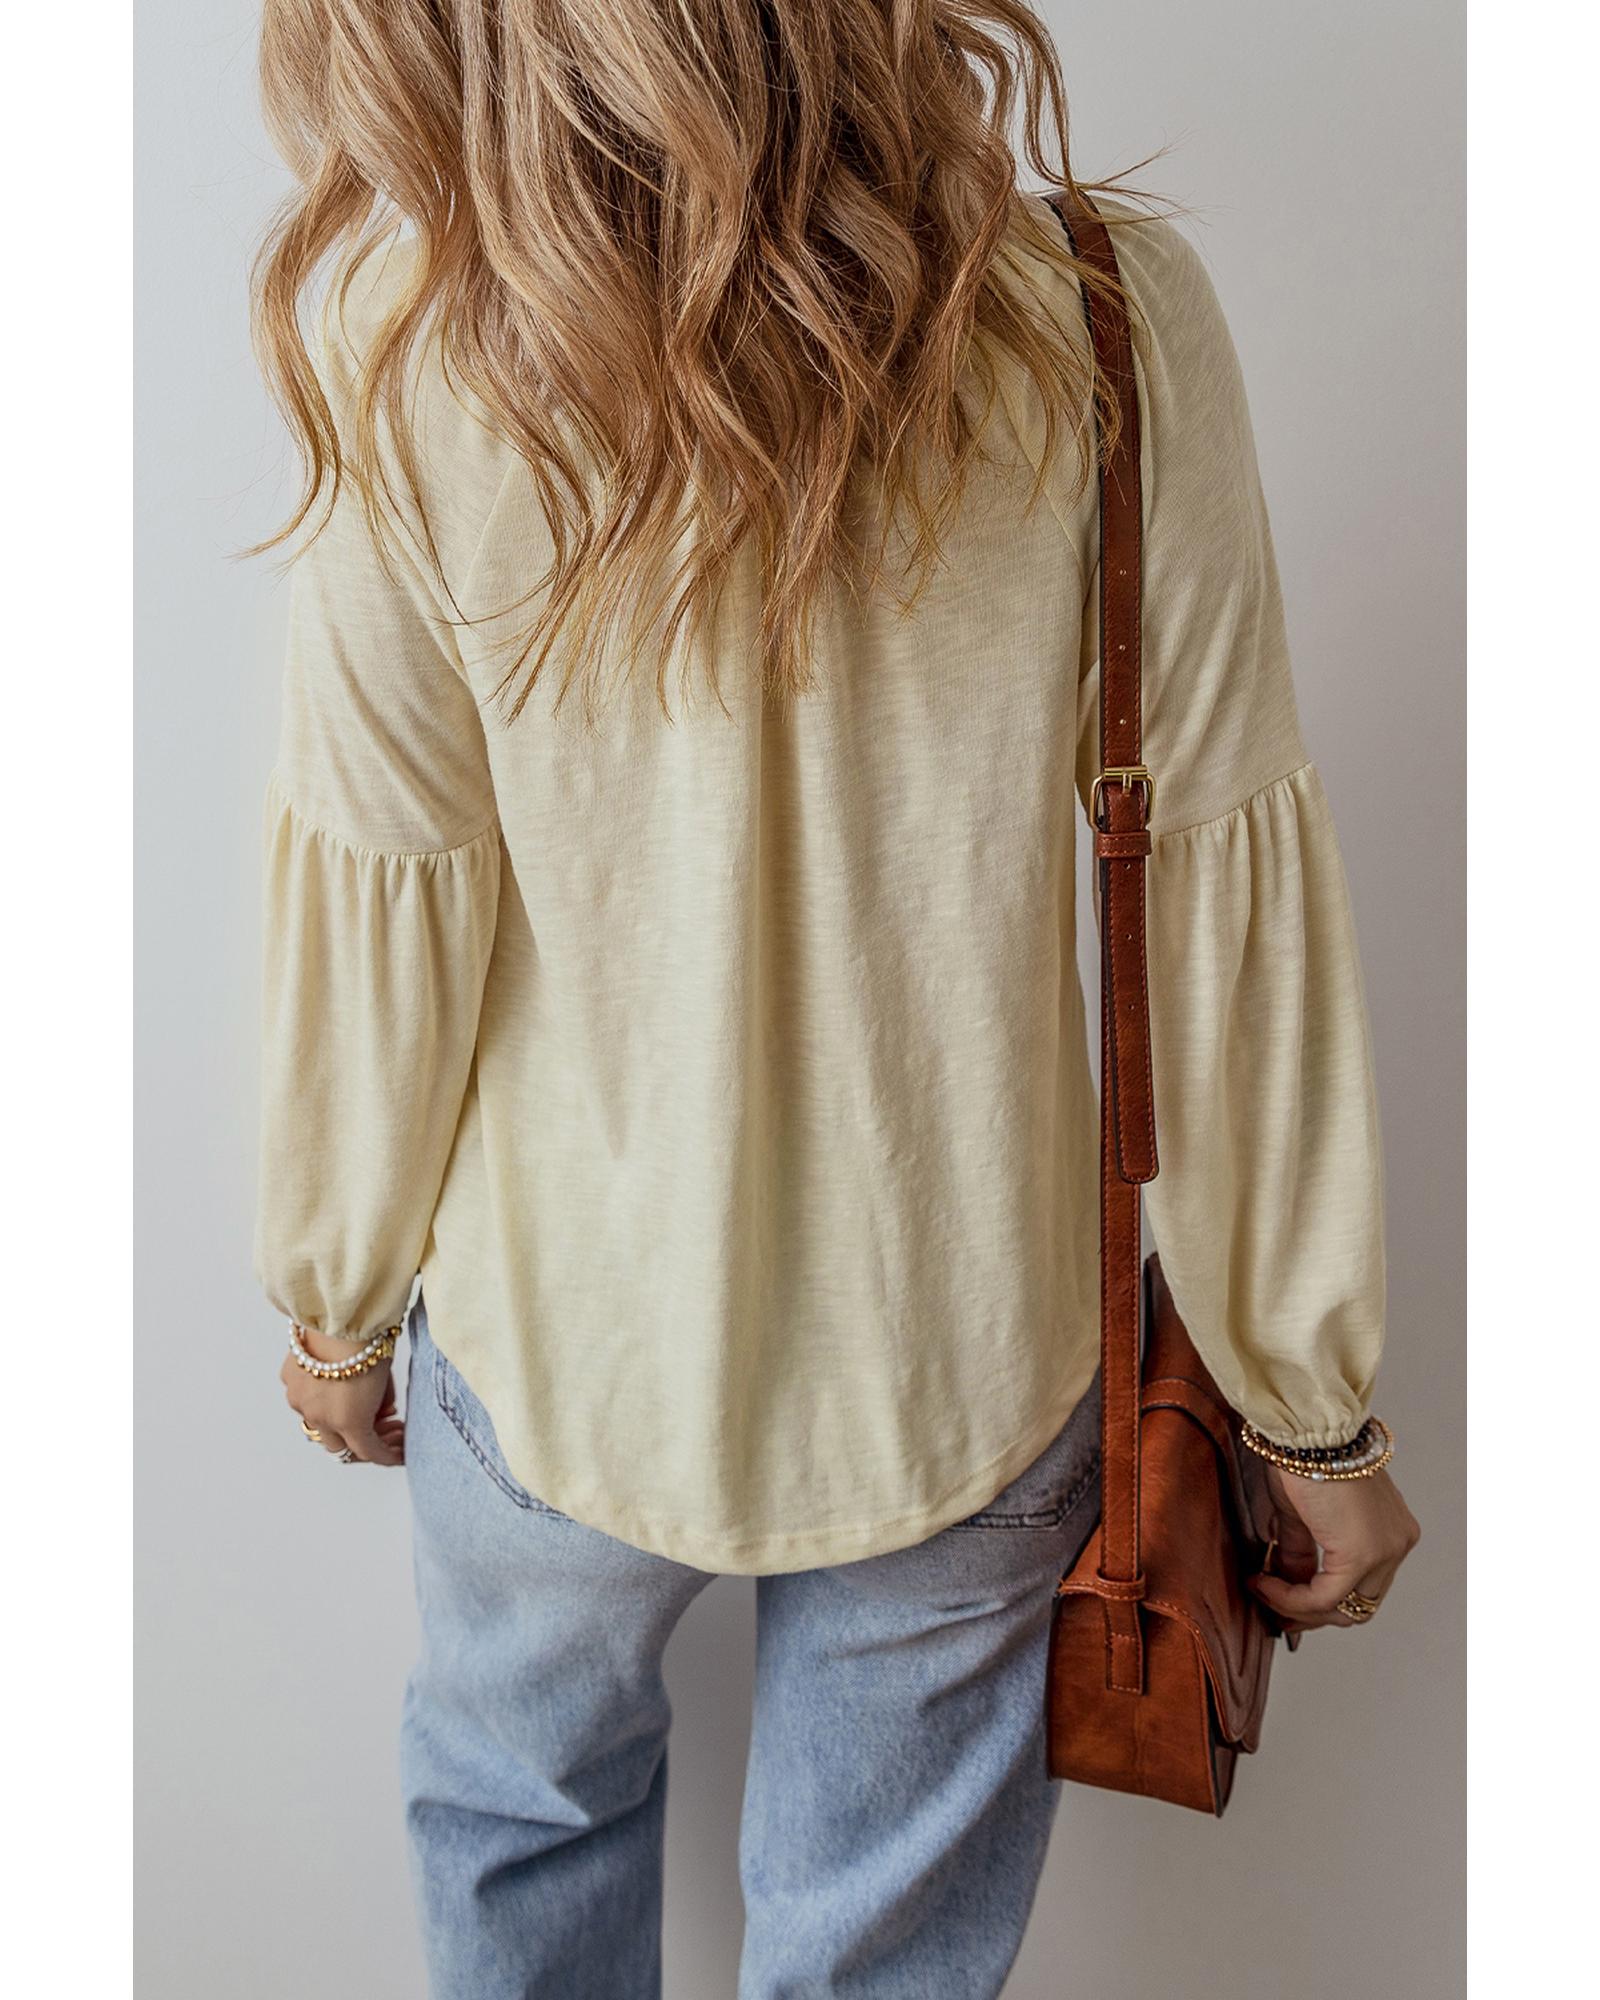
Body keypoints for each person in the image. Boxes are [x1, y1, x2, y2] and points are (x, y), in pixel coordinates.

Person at [254, 2, 1419, 1992]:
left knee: (522, 1821)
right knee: (876, 1955)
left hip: (555, 1344)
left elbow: (394, 891)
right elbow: (1220, 882)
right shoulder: (1100, 318)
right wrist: (1307, 1410)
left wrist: (337, 1298)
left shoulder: (407, 339)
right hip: (958, 1346)